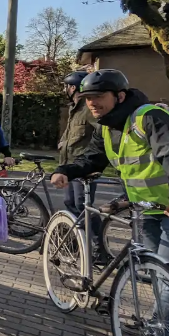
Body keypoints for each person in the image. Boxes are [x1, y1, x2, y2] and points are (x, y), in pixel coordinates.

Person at [51, 69, 169, 336]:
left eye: (98, 97)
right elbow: (93, 158)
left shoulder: (149, 118)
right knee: (159, 274)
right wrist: (67, 171)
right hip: (147, 209)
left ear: (119, 96)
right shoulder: (107, 127)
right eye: (88, 98)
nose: (92, 103)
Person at [59, 71, 107, 262]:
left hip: (83, 168)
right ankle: (77, 242)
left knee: (84, 206)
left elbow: (102, 131)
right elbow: (70, 134)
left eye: (66, 86)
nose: (65, 90)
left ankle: (98, 247)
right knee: (70, 204)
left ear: (73, 88)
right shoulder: (75, 109)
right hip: (69, 166)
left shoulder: (88, 109)